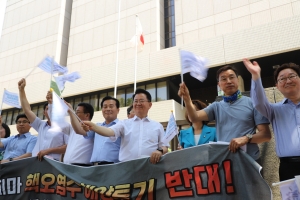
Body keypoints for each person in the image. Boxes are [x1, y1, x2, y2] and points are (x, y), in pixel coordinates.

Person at [178, 65, 271, 161]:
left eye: (231, 77)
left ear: (238, 80)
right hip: (225, 163)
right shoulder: (216, 106)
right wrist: (187, 99)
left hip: (250, 161)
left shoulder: (253, 103)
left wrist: (246, 138)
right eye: (224, 79)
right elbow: (194, 117)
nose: (229, 81)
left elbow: (266, 135)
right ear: (219, 85)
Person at [243, 58, 300, 181]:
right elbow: (258, 103)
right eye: (282, 79)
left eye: (292, 76)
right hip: (289, 167)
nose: (288, 81)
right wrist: (256, 76)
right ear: (277, 86)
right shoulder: (274, 110)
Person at [82, 89, 169, 164]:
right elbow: (109, 131)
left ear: (150, 105)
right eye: (135, 101)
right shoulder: (124, 123)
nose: (138, 103)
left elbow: (164, 146)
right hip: (126, 169)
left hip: (150, 166)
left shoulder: (158, 126)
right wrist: (93, 126)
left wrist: (159, 151)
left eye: (141, 101)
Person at [18, 78, 69, 161]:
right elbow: (27, 110)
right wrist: (21, 90)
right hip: (35, 161)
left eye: (52, 108)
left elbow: (68, 147)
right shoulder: (40, 124)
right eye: (47, 108)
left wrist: (48, 151)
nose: (50, 110)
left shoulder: (65, 126)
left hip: (52, 163)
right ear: (44, 112)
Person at [73, 96, 121, 165]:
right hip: (95, 166)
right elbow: (79, 131)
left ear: (118, 110)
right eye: (105, 107)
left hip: (113, 166)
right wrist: (71, 112)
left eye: (111, 106)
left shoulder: (121, 126)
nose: (108, 109)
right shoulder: (97, 126)